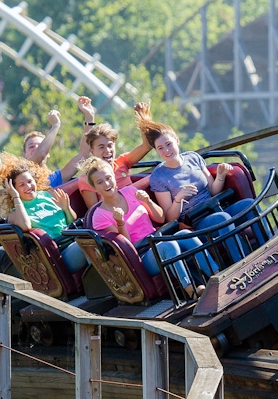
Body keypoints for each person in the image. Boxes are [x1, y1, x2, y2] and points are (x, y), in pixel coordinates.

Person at [81, 156, 213, 298]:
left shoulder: (130, 192)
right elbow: (125, 247)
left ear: (113, 176)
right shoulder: (99, 216)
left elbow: (160, 218)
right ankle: (192, 291)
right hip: (140, 256)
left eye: (108, 178)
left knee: (187, 235)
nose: (106, 183)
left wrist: (148, 201)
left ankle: (217, 275)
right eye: (100, 182)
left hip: (157, 240)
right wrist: (120, 223)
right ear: (94, 188)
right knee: (168, 247)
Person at [137, 118, 262, 262]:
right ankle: (244, 262)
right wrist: (179, 198)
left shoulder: (193, 158)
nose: (166, 150)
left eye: (168, 144)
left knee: (249, 204)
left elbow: (213, 191)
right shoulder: (159, 176)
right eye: (160, 148)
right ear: (157, 151)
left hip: (216, 208)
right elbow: (170, 218)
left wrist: (220, 176)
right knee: (222, 220)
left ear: (177, 141)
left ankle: (270, 245)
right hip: (196, 223)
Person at [0, 153, 88, 275]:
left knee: (93, 240)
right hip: (54, 258)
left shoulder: (46, 195)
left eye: (30, 181)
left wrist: (66, 208)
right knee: (88, 247)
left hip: (69, 242)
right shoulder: (15, 212)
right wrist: (15, 197)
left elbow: (71, 222)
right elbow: (26, 226)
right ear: (14, 189)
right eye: (22, 185)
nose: (28, 186)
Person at [78, 99, 154, 208]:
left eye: (110, 145)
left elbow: (147, 146)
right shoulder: (87, 178)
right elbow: (94, 211)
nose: (107, 151)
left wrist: (143, 118)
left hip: (137, 207)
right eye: (101, 147)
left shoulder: (122, 162)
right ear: (92, 151)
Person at [21, 98, 95, 187]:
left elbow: (84, 155)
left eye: (41, 145)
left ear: (48, 153)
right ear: (24, 155)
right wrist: (55, 125)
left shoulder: (54, 179)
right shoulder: (19, 173)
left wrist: (89, 116)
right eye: (31, 146)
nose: (36, 148)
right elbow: (41, 154)